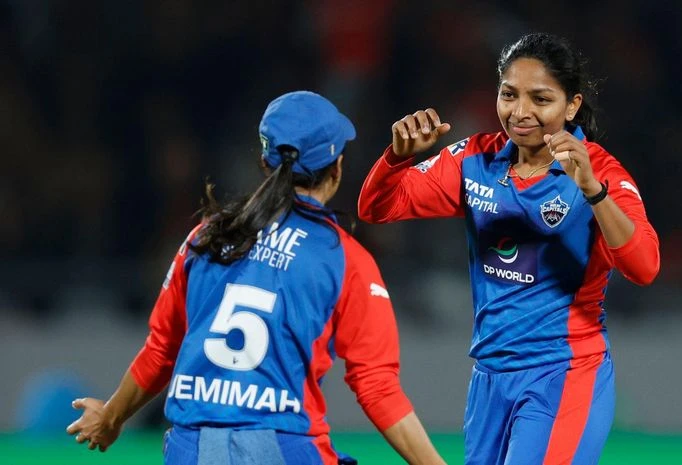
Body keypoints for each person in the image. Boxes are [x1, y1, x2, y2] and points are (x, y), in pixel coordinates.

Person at [66, 91, 447, 465]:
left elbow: (162, 349)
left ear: (265, 162)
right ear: (337, 167)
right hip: (281, 447)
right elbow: (377, 386)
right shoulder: (344, 259)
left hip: (191, 450)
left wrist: (111, 418)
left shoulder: (206, 237)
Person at [358, 33, 660, 465]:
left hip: (562, 374)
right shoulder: (475, 160)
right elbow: (377, 208)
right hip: (490, 381)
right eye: (509, 95)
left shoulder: (600, 171)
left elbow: (644, 267)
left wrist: (593, 191)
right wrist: (395, 159)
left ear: (571, 106)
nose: (520, 112)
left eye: (541, 99)